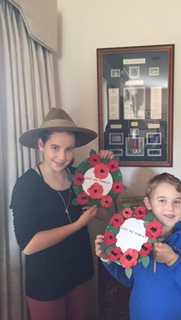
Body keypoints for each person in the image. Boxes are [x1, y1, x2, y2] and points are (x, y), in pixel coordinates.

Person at [10, 108, 112, 320]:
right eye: (55, 148)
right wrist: (78, 224)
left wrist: (105, 175)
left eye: (69, 149)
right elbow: (28, 245)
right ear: (41, 145)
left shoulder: (79, 177)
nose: (62, 157)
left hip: (80, 274)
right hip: (46, 282)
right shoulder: (26, 185)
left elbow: (104, 214)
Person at [95, 172, 181, 320]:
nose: (170, 208)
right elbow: (130, 280)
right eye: (162, 200)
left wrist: (173, 261)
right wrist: (107, 260)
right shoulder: (135, 235)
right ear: (148, 203)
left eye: (177, 201)